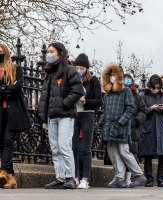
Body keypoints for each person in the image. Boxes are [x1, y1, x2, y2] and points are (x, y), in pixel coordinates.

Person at [38, 43, 84, 189]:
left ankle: (71, 177)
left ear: (60, 53)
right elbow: (45, 96)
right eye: (48, 52)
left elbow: (78, 91)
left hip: (65, 115)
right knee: (55, 148)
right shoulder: (49, 73)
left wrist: (65, 103)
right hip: (52, 116)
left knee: (64, 146)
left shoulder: (70, 70)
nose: (48, 54)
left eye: (51, 51)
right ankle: (60, 177)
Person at [100, 63, 146, 188]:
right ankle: (119, 178)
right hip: (109, 126)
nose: (113, 77)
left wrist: (122, 121)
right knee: (113, 153)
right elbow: (105, 109)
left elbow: (130, 108)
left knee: (124, 151)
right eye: (111, 75)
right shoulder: (108, 93)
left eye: (115, 75)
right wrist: (102, 121)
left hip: (121, 126)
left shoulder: (126, 91)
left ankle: (139, 175)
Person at [0, 44, 31, 189]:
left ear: (5, 53)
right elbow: (11, 88)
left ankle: (3, 172)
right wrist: (6, 88)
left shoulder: (15, 69)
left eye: (0, 52)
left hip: (12, 112)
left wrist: (3, 88)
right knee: (2, 143)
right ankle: (10, 177)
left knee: (8, 141)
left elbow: (17, 87)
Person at [72, 53, 102, 189]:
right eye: (77, 67)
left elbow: (98, 101)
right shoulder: (71, 79)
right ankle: (75, 177)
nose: (79, 70)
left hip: (87, 115)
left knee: (86, 148)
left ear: (87, 68)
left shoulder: (93, 81)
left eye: (82, 67)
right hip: (74, 114)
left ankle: (85, 178)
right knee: (73, 149)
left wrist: (84, 100)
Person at [139, 74, 163, 187]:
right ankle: (149, 179)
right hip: (148, 127)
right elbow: (140, 111)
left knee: (162, 155)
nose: (156, 89)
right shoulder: (143, 96)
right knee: (148, 155)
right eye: (154, 87)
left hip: (161, 127)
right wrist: (150, 109)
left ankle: (160, 179)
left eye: (158, 87)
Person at [123, 73, 146, 186]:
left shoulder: (137, 96)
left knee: (131, 153)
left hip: (132, 127)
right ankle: (120, 177)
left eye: (128, 79)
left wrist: (137, 121)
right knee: (120, 153)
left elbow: (143, 110)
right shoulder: (118, 93)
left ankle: (128, 178)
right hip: (120, 126)